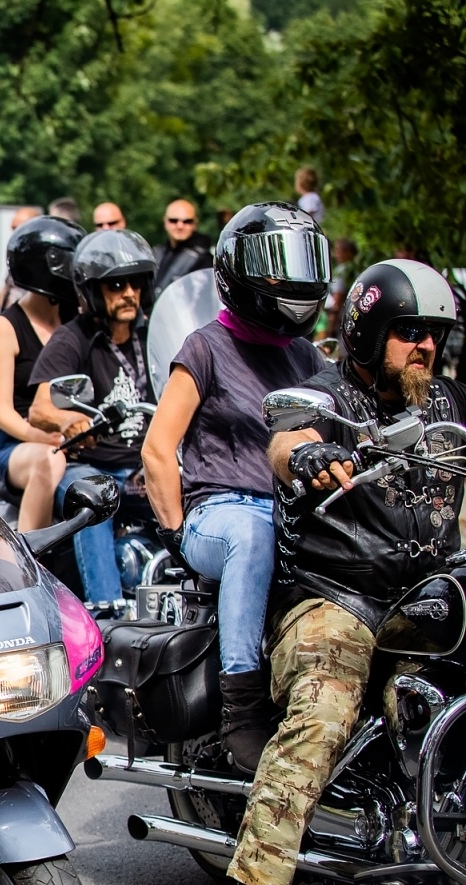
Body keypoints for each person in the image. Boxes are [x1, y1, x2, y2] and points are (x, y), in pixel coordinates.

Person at [225, 259, 459, 885]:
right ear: (367, 330)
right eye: (408, 331)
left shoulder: (448, 405)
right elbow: (284, 441)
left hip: (426, 601)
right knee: (326, 709)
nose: (423, 347)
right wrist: (313, 453)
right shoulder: (328, 398)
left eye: (434, 335)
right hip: (335, 600)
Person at [141, 202, 329, 773]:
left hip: (289, 513)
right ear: (238, 270)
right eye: (275, 267)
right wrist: (174, 533)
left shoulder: (305, 356)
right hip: (218, 512)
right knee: (251, 533)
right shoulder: (205, 347)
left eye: (298, 264)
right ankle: (240, 711)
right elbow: (157, 449)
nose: (290, 280)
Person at [27, 228, 158, 604]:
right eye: (116, 285)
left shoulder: (153, 336)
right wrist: (70, 421)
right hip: (92, 465)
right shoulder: (73, 338)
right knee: (94, 497)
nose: (128, 293)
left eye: (135, 283)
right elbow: (40, 408)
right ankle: (108, 612)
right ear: (92, 291)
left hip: (144, 463)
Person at [0, 217, 82, 531]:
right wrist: (45, 438)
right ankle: (34, 557)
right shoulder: (7, 327)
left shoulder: (75, 320)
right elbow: (2, 413)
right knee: (49, 460)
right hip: (19, 444)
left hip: (73, 437)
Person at [151, 198, 213, 303]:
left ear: (195, 224)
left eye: (187, 221)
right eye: (173, 221)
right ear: (165, 222)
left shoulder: (204, 259)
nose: (180, 226)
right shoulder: (156, 253)